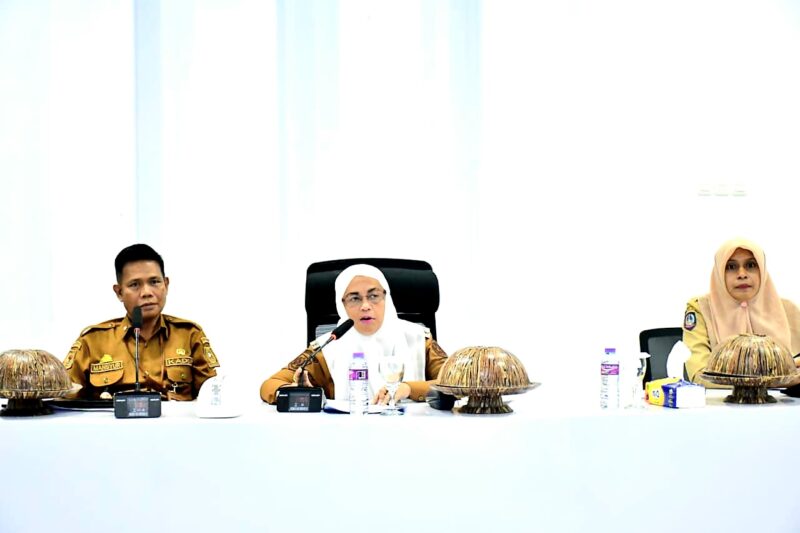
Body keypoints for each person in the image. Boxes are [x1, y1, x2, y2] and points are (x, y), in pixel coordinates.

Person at [260, 264, 448, 405]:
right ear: (341, 305)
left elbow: (455, 382)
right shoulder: (328, 347)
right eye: (354, 298)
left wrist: (408, 388)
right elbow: (270, 385)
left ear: (386, 297)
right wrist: (299, 393)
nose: (365, 306)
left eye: (374, 296)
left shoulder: (418, 339)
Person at [63, 244, 220, 400]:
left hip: (174, 416)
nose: (146, 293)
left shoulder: (189, 335)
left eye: (154, 282)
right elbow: (64, 396)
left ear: (166, 285)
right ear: (119, 292)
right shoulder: (93, 342)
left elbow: (215, 397)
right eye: (134, 285)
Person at [684, 238, 800, 383]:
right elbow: (699, 376)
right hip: (722, 397)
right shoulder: (700, 309)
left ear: (762, 270)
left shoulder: (788, 310)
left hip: (784, 398)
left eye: (751, 265)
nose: (742, 274)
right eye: (731, 267)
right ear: (719, 271)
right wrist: (767, 382)